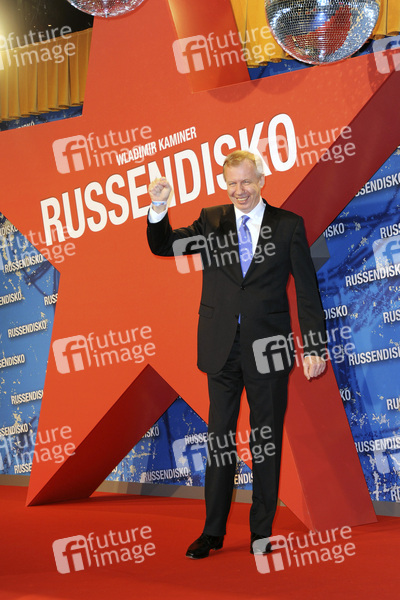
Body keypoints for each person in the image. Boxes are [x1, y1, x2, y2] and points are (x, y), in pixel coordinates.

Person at [147, 150, 326, 559]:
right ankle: (212, 532)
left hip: (269, 349)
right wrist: (158, 207)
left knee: (266, 442)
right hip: (221, 346)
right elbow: (164, 246)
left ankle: (261, 532)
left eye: (246, 181)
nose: (239, 190)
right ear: (224, 183)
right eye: (232, 183)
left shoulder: (288, 225)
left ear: (261, 180)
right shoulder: (212, 220)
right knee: (219, 441)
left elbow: (307, 291)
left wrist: (314, 345)